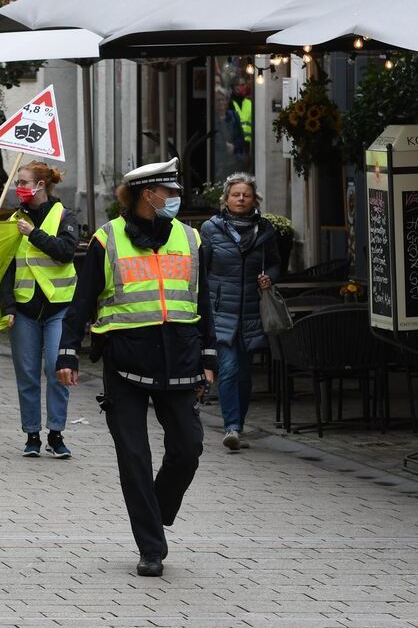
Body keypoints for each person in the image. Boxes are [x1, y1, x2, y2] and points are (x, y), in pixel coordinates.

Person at [56, 158, 216, 578]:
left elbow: (202, 301)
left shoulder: (192, 239)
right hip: (125, 361)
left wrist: (210, 354)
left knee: (188, 448)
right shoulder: (106, 240)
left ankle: (158, 507)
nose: (177, 199)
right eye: (172, 192)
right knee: (134, 457)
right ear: (149, 194)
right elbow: (82, 300)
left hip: (180, 358)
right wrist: (67, 351)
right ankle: (151, 547)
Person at [0, 161, 78, 458]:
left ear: (40, 185)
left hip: (59, 307)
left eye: (22, 182)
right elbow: (4, 268)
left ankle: (56, 434)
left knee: (57, 369)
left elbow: (66, 253)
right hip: (23, 310)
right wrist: (7, 306)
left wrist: (33, 234)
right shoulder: (12, 221)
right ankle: (32, 435)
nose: (18, 188)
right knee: (28, 374)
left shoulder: (64, 215)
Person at [200, 173, 279, 451]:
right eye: (236, 194)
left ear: (254, 198)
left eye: (246, 194)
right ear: (226, 198)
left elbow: (275, 264)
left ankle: (239, 423)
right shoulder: (211, 229)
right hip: (221, 309)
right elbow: (201, 270)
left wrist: (269, 277)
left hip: (252, 311)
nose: (241, 199)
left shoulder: (265, 230)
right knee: (230, 368)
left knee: (245, 374)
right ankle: (231, 426)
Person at [231, 76, 253, 147]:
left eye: (243, 85)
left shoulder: (249, 103)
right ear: (233, 87)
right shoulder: (228, 103)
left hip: (248, 144)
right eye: (237, 84)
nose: (240, 87)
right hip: (233, 142)